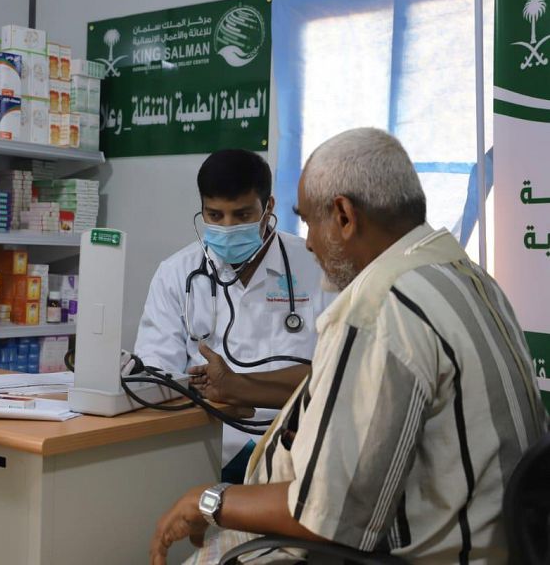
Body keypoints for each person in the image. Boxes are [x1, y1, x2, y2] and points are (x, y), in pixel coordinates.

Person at [150, 128, 549, 565]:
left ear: (343, 215)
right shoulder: (468, 277)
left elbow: (328, 516)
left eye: (308, 222)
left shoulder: (380, 307)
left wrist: (208, 501)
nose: (309, 243)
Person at [133, 149, 334, 483]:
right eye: (215, 215)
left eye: (242, 215)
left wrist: (238, 387)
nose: (227, 228)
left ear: (268, 207)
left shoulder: (316, 266)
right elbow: (156, 374)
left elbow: (338, 370)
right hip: (206, 443)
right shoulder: (176, 273)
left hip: (294, 447)